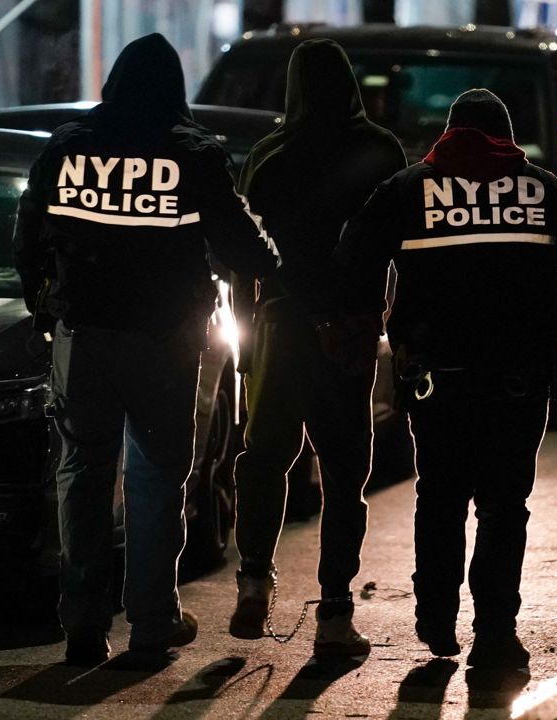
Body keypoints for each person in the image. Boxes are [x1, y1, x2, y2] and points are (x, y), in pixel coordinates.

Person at [13, 33, 280, 666]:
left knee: (81, 474)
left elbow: (27, 236)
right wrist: (272, 263)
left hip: (84, 339)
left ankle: (82, 624)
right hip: (164, 342)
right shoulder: (194, 154)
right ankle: (153, 624)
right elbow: (245, 249)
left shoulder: (67, 149)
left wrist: (43, 306)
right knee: (156, 478)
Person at [335, 89, 557, 672]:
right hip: (519, 379)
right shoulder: (544, 191)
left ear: (449, 131)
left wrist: (365, 323)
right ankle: (495, 633)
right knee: (503, 504)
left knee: (438, 497)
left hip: (435, 379)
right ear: (507, 136)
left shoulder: (409, 190)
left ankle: (436, 620)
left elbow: (354, 258)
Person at [228, 38, 405, 657]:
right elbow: (397, 245)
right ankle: (334, 612)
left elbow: (244, 256)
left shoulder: (269, 154)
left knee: (264, 456)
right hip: (349, 333)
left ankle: (254, 578)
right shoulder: (381, 151)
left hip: (281, 325)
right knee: (344, 473)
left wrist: (248, 341)